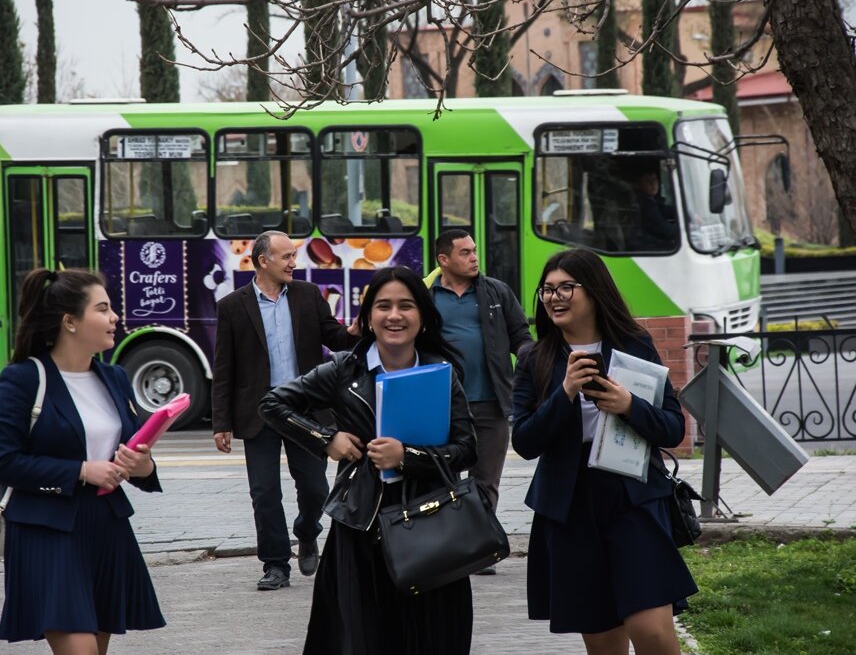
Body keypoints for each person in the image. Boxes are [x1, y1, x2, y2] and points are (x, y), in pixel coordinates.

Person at [259, 266, 477, 655]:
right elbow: (273, 404)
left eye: (406, 306)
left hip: (432, 523)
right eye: (384, 306)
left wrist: (406, 456)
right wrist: (327, 438)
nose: (395, 316)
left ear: (422, 316)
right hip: (361, 523)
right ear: (368, 317)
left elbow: (467, 447)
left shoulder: (442, 371)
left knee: (431, 633)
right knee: (362, 634)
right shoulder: (345, 368)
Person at [511, 248, 697, 655]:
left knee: (652, 631)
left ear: (593, 291)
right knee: (604, 641)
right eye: (547, 290)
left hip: (632, 497)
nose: (555, 297)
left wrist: (629, 406)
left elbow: (671, 427)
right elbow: (524, 442)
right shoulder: (535, 359)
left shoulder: (632, 345)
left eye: (566, 288)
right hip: (569, 506)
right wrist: (564, 394)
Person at [0, 268, 165, 651]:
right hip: (47, 530)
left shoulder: (114, 377)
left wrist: (142, 466)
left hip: (105, 526)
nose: (115, 317)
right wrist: (81, 471)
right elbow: (3, 462)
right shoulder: (23, 379)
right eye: (102, 309)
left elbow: (136, 455)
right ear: (70, 321)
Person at [211, 230, 359, 591]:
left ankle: (307, 532)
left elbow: (334, 338)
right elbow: (224, 367)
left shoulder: (309, 295)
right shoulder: (233, 305)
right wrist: (221, 423)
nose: (294, 263)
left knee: (314, 488)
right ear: (264, 261)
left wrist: (355, 330)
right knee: (264, 493)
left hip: (305, 408)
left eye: (294, 256)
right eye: (287, 257)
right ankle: (276, 563)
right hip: (258, 410)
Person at [430, 229, 532, 574]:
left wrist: (532, 366)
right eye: (465, 253)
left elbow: (521, 336)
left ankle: (477, 550)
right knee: (444, 478)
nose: (474, 258)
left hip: (492, 402)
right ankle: (445, 548)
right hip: (442, 405)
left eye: (474, 251)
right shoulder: (426, 296)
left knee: (485, 480)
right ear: (444, 259)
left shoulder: (496, 292)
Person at [631, 170, 678, 250]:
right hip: (645, 246)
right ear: (638, 184)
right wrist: (683, 230)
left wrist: (688, 214)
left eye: (654, 179)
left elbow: (665, 209)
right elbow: (665, 230)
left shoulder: (651, 200)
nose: (653, 183)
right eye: (648, 180)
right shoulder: (644, 204)